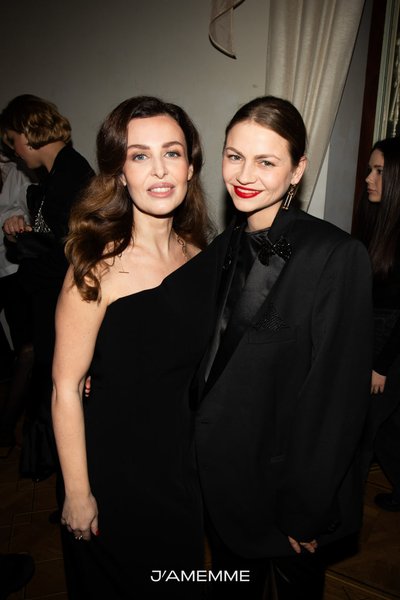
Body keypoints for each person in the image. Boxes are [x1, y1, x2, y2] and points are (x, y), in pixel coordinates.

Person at [194, 96, 373, 599]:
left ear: (297, 170)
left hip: (280, 497)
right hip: (219, 482)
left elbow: (336, 399)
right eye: (234, 156)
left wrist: (305, 510)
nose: (244, 175)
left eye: (266, 162)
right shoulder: (223, 245)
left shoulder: (335, 255)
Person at [51, 96, 221, 599]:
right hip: (112, 469)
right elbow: (64, 388)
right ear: (120, 174)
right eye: (139, 155)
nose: (159, 170)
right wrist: (78, 493)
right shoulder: (95, 268)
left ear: (190, 167)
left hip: (179, 464)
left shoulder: (201, 257)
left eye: (172, 153)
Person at [0, 95, 94, 480]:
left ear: (28, 133)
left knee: (58, 385)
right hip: (52, 300)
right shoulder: (57, 174)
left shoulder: (71, 174)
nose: (15, 152)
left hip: (64, 302)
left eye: (13, 142)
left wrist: (27, 250)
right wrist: (23, 234)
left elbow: (74, 253)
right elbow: (56, 239)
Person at [356, 137, 400, 512]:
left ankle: (339, 511)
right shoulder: (377, 222)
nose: (369, 178)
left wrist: (381, 365)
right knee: (387, 427)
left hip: (391, 343)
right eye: (370, 169)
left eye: (379, 171)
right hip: (376, 333)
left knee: (366, 429)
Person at [0, 147, 34, 447]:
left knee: (27, 348)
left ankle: (7, 428)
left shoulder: (19, 173)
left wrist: (16, 226)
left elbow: (28, 217)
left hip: (16, 271)